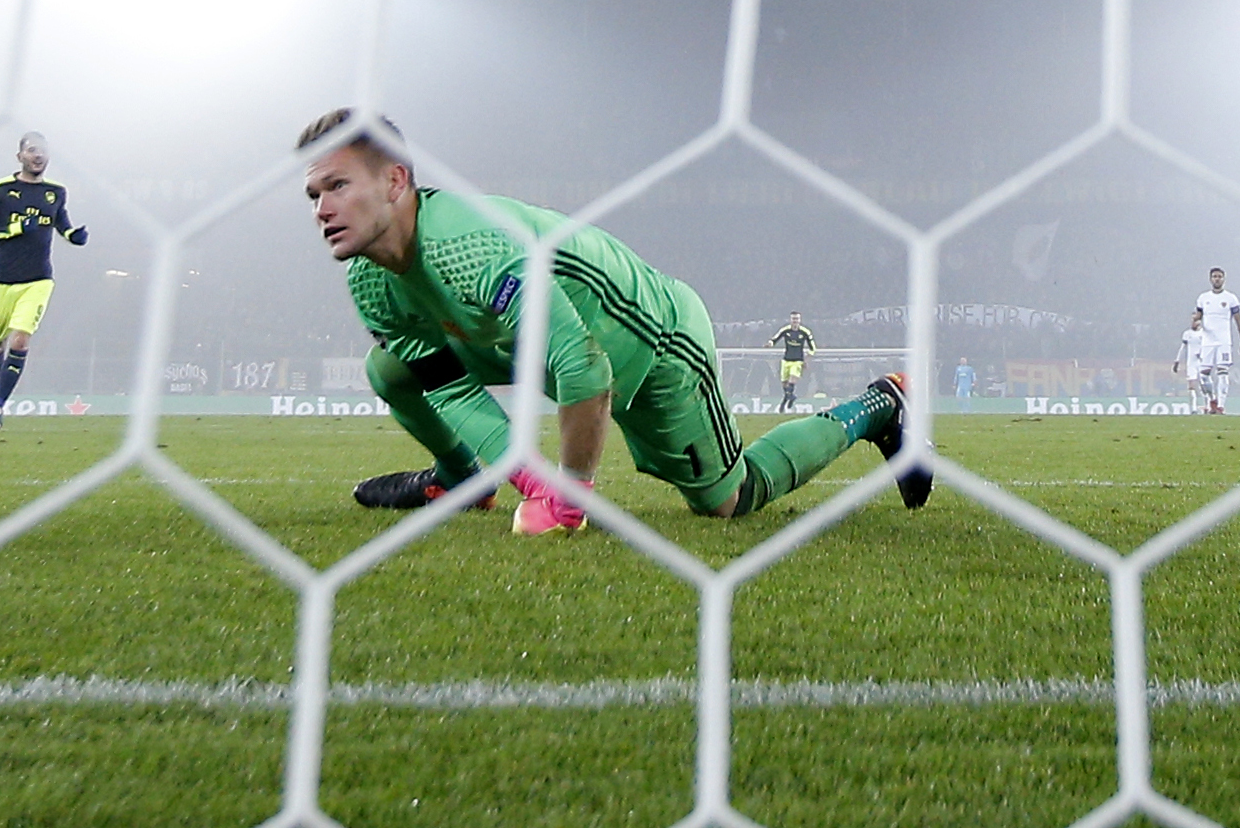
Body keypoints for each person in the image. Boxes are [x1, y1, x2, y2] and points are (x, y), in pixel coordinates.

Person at [300, 110, 927, 531]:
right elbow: (445, 384)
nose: (322, 210)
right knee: (391, 367)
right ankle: (463, 480)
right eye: (313, 195)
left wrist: (568, 497)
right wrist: (523, 477)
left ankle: (880, 405)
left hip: (652, 345)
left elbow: (585, 366)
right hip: (536, 347)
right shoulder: (367, 275)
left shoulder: (474, 248)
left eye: (336, 186)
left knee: (727, 501)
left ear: (395, 181)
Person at [0, 132, 87, 433]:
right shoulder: (2, 189)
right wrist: (17, 227)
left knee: (21, 339)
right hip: (1, 279)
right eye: (32, 150)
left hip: (38, 279)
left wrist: (72, 235)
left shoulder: (56, 192)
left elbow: (61, 222)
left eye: (43, 151)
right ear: (20, 156)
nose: (38, 156)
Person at [1192, 267, 1240, 416]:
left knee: (1222, 372)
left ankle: (1221, 406)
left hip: (1224, 341)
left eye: (1220, 277)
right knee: (1203, 374)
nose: (1217, 279)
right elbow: (1197, 317)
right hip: (1207, 341)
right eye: (1214, 276)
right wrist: (1194, 322)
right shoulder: (1203, 298)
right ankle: (1211, 400)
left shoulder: (1231, 298)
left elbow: (1239, 322)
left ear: (1224, 279)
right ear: (1210, 279)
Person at [770, 312, 817, 412]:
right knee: (784, 383)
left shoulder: (805, 332)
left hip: (798, 361)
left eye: (797, 319)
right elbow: (775, 339)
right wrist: (770, 344)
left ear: (800, 320)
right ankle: (789, 397)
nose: (795, 321)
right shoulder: (785, 330)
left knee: (792, 380)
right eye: (793, 319)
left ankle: (785, 402)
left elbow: (813, 348)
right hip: (786, 360)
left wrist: (806, 360)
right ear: (790, 320)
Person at [1173, 318, 1217, 415]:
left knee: (1204, 386)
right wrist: (1177, 361)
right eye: (1192, 321)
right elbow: (1182, 348)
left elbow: (1209, 347)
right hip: (1191, 363)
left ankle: (1209, 405)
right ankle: (1193, 409)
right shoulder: (1187, 334)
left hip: (1202, 362)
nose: (1193, 323)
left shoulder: (1204, 334)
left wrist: (1203, 354)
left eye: (1195, 320)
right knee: (1191, 385)